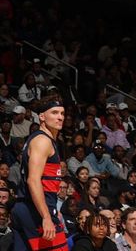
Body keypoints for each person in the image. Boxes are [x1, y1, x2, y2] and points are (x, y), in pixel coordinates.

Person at [11, 93, 68, 251]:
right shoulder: (42, 141)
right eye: (54, 113)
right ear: (42, 116)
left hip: (28, 208)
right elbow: (33, 180)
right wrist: (46, 216)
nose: (60, 117)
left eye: (62, 113)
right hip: (34, 211)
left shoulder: (44, 140)